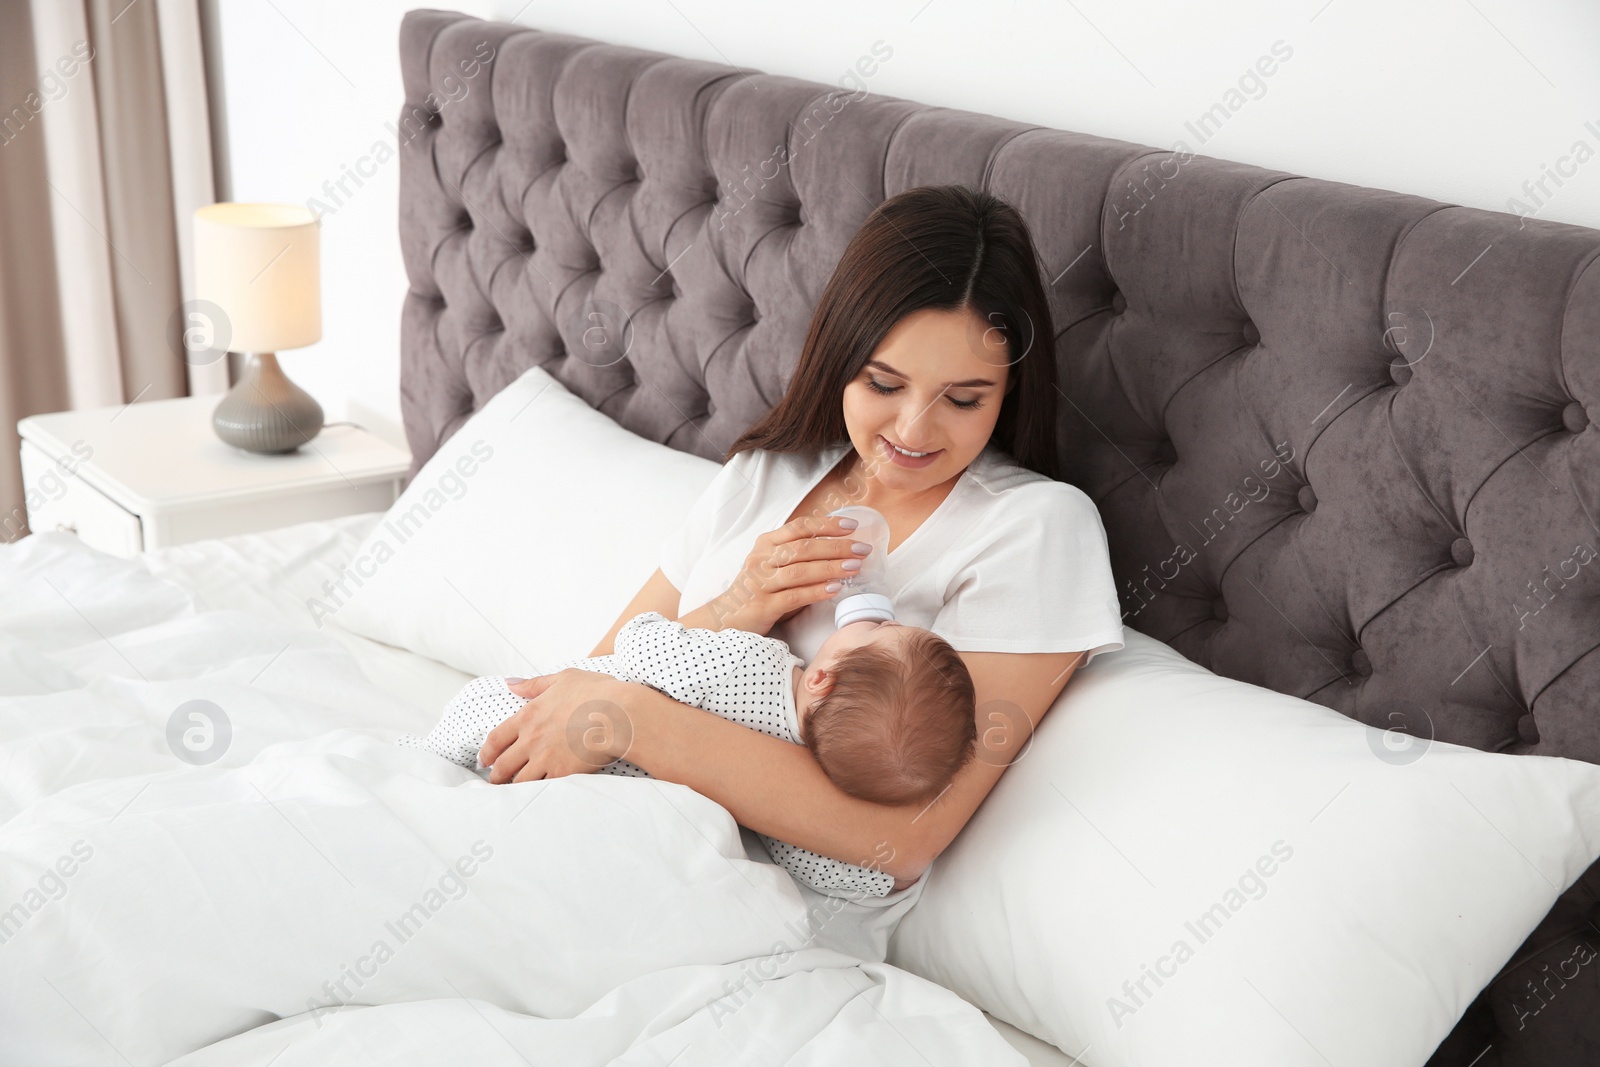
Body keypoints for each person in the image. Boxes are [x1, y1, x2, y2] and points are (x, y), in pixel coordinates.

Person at [477, 183, 1126, 960]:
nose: (914, 429)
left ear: (1009, 388)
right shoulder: (765, 473)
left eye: (964, 397)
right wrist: (732, 609)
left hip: (740, 910)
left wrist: (635, 720)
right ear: (839, 354)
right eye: (884, 384)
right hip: (586, 815)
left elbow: (901, 835)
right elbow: (591, 676)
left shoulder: (1035, 529)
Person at [396, 609, 977, 899]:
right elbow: (839, 871)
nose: (875, 618)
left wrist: (662, 624)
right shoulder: (800, 784)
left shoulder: (752, 664)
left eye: (876, 629)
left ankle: (422, 758)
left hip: (543, 718)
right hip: (601, 794)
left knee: (469, 732)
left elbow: (639, 645)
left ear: (820, 678)